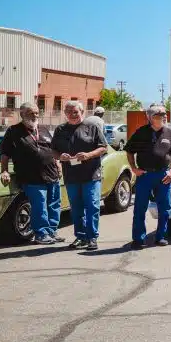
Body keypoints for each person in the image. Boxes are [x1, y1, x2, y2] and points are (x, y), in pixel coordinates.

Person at [0, 102, 64, 244]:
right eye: (30, 113)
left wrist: (58, 164)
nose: (34, 115)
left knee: (54, 204)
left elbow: (53, 150)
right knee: (39, 206)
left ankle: (52, 232)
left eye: (36, 112)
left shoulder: (44, 129)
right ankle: (41, 234)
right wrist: (4, 170)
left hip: (52, 174)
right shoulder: (13, 131)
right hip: (32, 177)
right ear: (22, 114)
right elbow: (5, 153)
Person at [51, 100, 109, 250]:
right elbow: (53, 151)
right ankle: (80, 236)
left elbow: (103, 147)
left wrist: (89, 155)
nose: (72, 115)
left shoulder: (92, 127)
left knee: (92, 206)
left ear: (82, 112)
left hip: (91, 175)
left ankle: (92, 237)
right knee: (76, 208)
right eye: (69, 112)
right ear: (65, 114)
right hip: (71, 176)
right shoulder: (60, 130)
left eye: (75, 112)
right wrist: (60, 156)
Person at [125, 104, 171, 248]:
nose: (163, 117)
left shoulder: (169, 133)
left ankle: (161, 236)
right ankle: (138, 239)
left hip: (163, 175)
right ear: (150, 118)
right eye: (159, 115)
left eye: (164, 114)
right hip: (145, 175)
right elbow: (129, 151)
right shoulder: (141, 133)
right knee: (139, 208)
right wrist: (134, 168)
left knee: (165, 208)